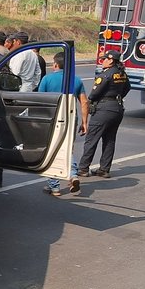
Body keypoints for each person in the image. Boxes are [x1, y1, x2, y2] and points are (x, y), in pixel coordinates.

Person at [37, 51, 89, 196]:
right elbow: (84, 102)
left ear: (55, 64)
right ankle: (73, 175)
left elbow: (41, 102)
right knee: (67, 149)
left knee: (52, 150)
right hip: (71, 118)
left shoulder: (47, 79)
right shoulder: (76, 80)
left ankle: (54, 186)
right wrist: (85, 122)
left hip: (52, 119)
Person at [76, 50, 131, 178]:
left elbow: (94, 94)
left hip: (104, 109)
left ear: (111, 60)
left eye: (104, 59)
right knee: (109, 140)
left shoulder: (105, 75)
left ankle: (83, 168)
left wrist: (90, 103)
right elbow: (127, 88)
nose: (102, 61)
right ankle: (104, 169)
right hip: (117, 108)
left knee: (91, 139)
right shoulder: (121, 73)